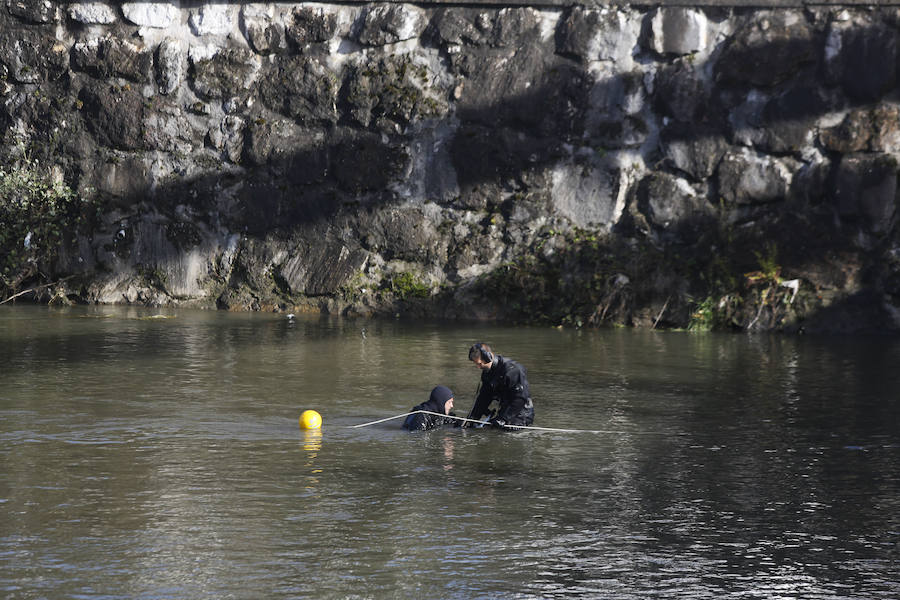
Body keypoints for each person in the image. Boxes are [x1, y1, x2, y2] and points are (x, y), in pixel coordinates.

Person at [465, 342, 534, 429]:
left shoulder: (513, 370)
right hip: (504, 410)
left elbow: (520, 398)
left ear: (488, 357)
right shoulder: (487, 373)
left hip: (521, 414)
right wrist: (473, 417)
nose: (478, 367)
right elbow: (484, 397)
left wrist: (503, 419)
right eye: (476, 364)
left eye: (479, 364)